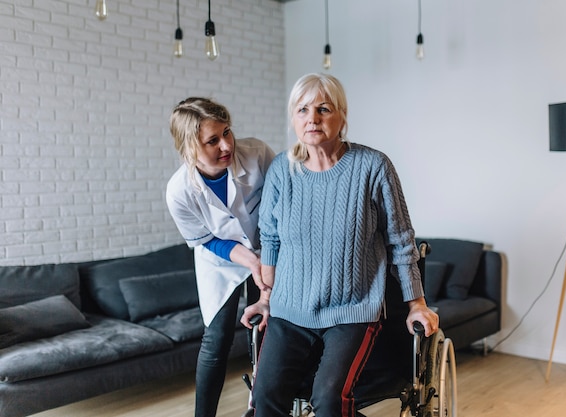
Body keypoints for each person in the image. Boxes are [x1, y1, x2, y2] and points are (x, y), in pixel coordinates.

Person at [241, 73, 439, 417]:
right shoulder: (280, 172)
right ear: (293, 119)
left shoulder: (373, 167)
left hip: (352, 311)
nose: (312, 118)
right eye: (302, 110)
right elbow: (270, 238)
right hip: (290, 310)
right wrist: (266, 298)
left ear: (341, 116)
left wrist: (417, 304)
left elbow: (401, 241)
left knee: (329, 398)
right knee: (265, 396)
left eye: (323, 108)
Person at [166, 97, 275, 417]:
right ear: (188, 147)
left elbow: (281, 211)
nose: (226, 145)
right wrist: (251, 261)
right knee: (216, 340)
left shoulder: (257, 155)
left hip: (268, 250)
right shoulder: (179, 191)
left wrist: (264, 262)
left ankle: (265, 408)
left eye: (227, 132)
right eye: (213, 140)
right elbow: (205, 239)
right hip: (220, 262)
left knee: (269, 331)